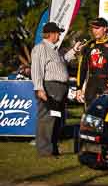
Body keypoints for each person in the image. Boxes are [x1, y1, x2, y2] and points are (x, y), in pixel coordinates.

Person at [31, 22, 82, 157]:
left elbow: (63, 61)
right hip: (50, 87)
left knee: (56, 119)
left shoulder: (55, 49)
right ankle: (45, 151)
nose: (59, 34)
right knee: (47, 119)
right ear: (51, 34)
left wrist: (74, 50)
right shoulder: (41, 48)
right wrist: (39, 88)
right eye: (58, 32)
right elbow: (36, 70)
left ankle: (52, 148)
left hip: (59, 88)